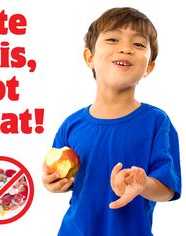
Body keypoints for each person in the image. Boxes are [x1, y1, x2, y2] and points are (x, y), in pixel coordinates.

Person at [42, 7, 181, 236]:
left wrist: (143, 185)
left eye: (138, 44)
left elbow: (168, 189)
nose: (125, 48)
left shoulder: (156, 122)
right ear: (90, 58)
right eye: (113, 39)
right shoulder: (71, 125)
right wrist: (52, 181)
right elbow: (62, 177)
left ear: (149, 67)